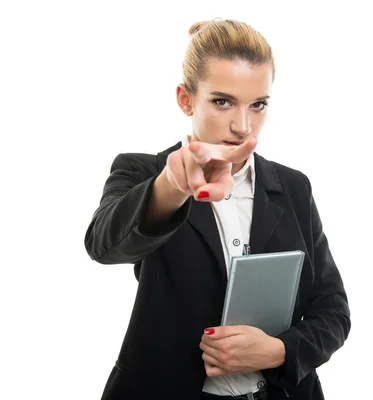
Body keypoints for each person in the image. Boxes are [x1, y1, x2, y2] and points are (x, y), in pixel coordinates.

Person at [84, 19, 350, 400]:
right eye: (222, 101)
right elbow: (103, 246)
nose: (243, 126)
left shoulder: (293, 187)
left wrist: (280, 351)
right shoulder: (142, 171)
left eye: (258, 105)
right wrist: (173, 186)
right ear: (186, 99)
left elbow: (334, 312)